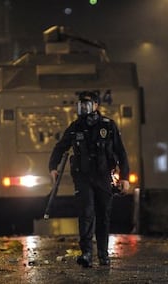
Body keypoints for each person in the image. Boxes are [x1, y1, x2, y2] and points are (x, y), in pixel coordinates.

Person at [48, 90, 130, 267]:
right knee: (86, 214)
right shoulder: (76, 127)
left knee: (103, 216)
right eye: (81, 104)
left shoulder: (108, 126)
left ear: (96, 105)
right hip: (83, 178)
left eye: (87, 104)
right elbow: (60, 147)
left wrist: (125, 177)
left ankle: (103, 254)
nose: (83, 107)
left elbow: (121, 152)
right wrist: (52, 167)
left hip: (103, 177)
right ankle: (86, 253)